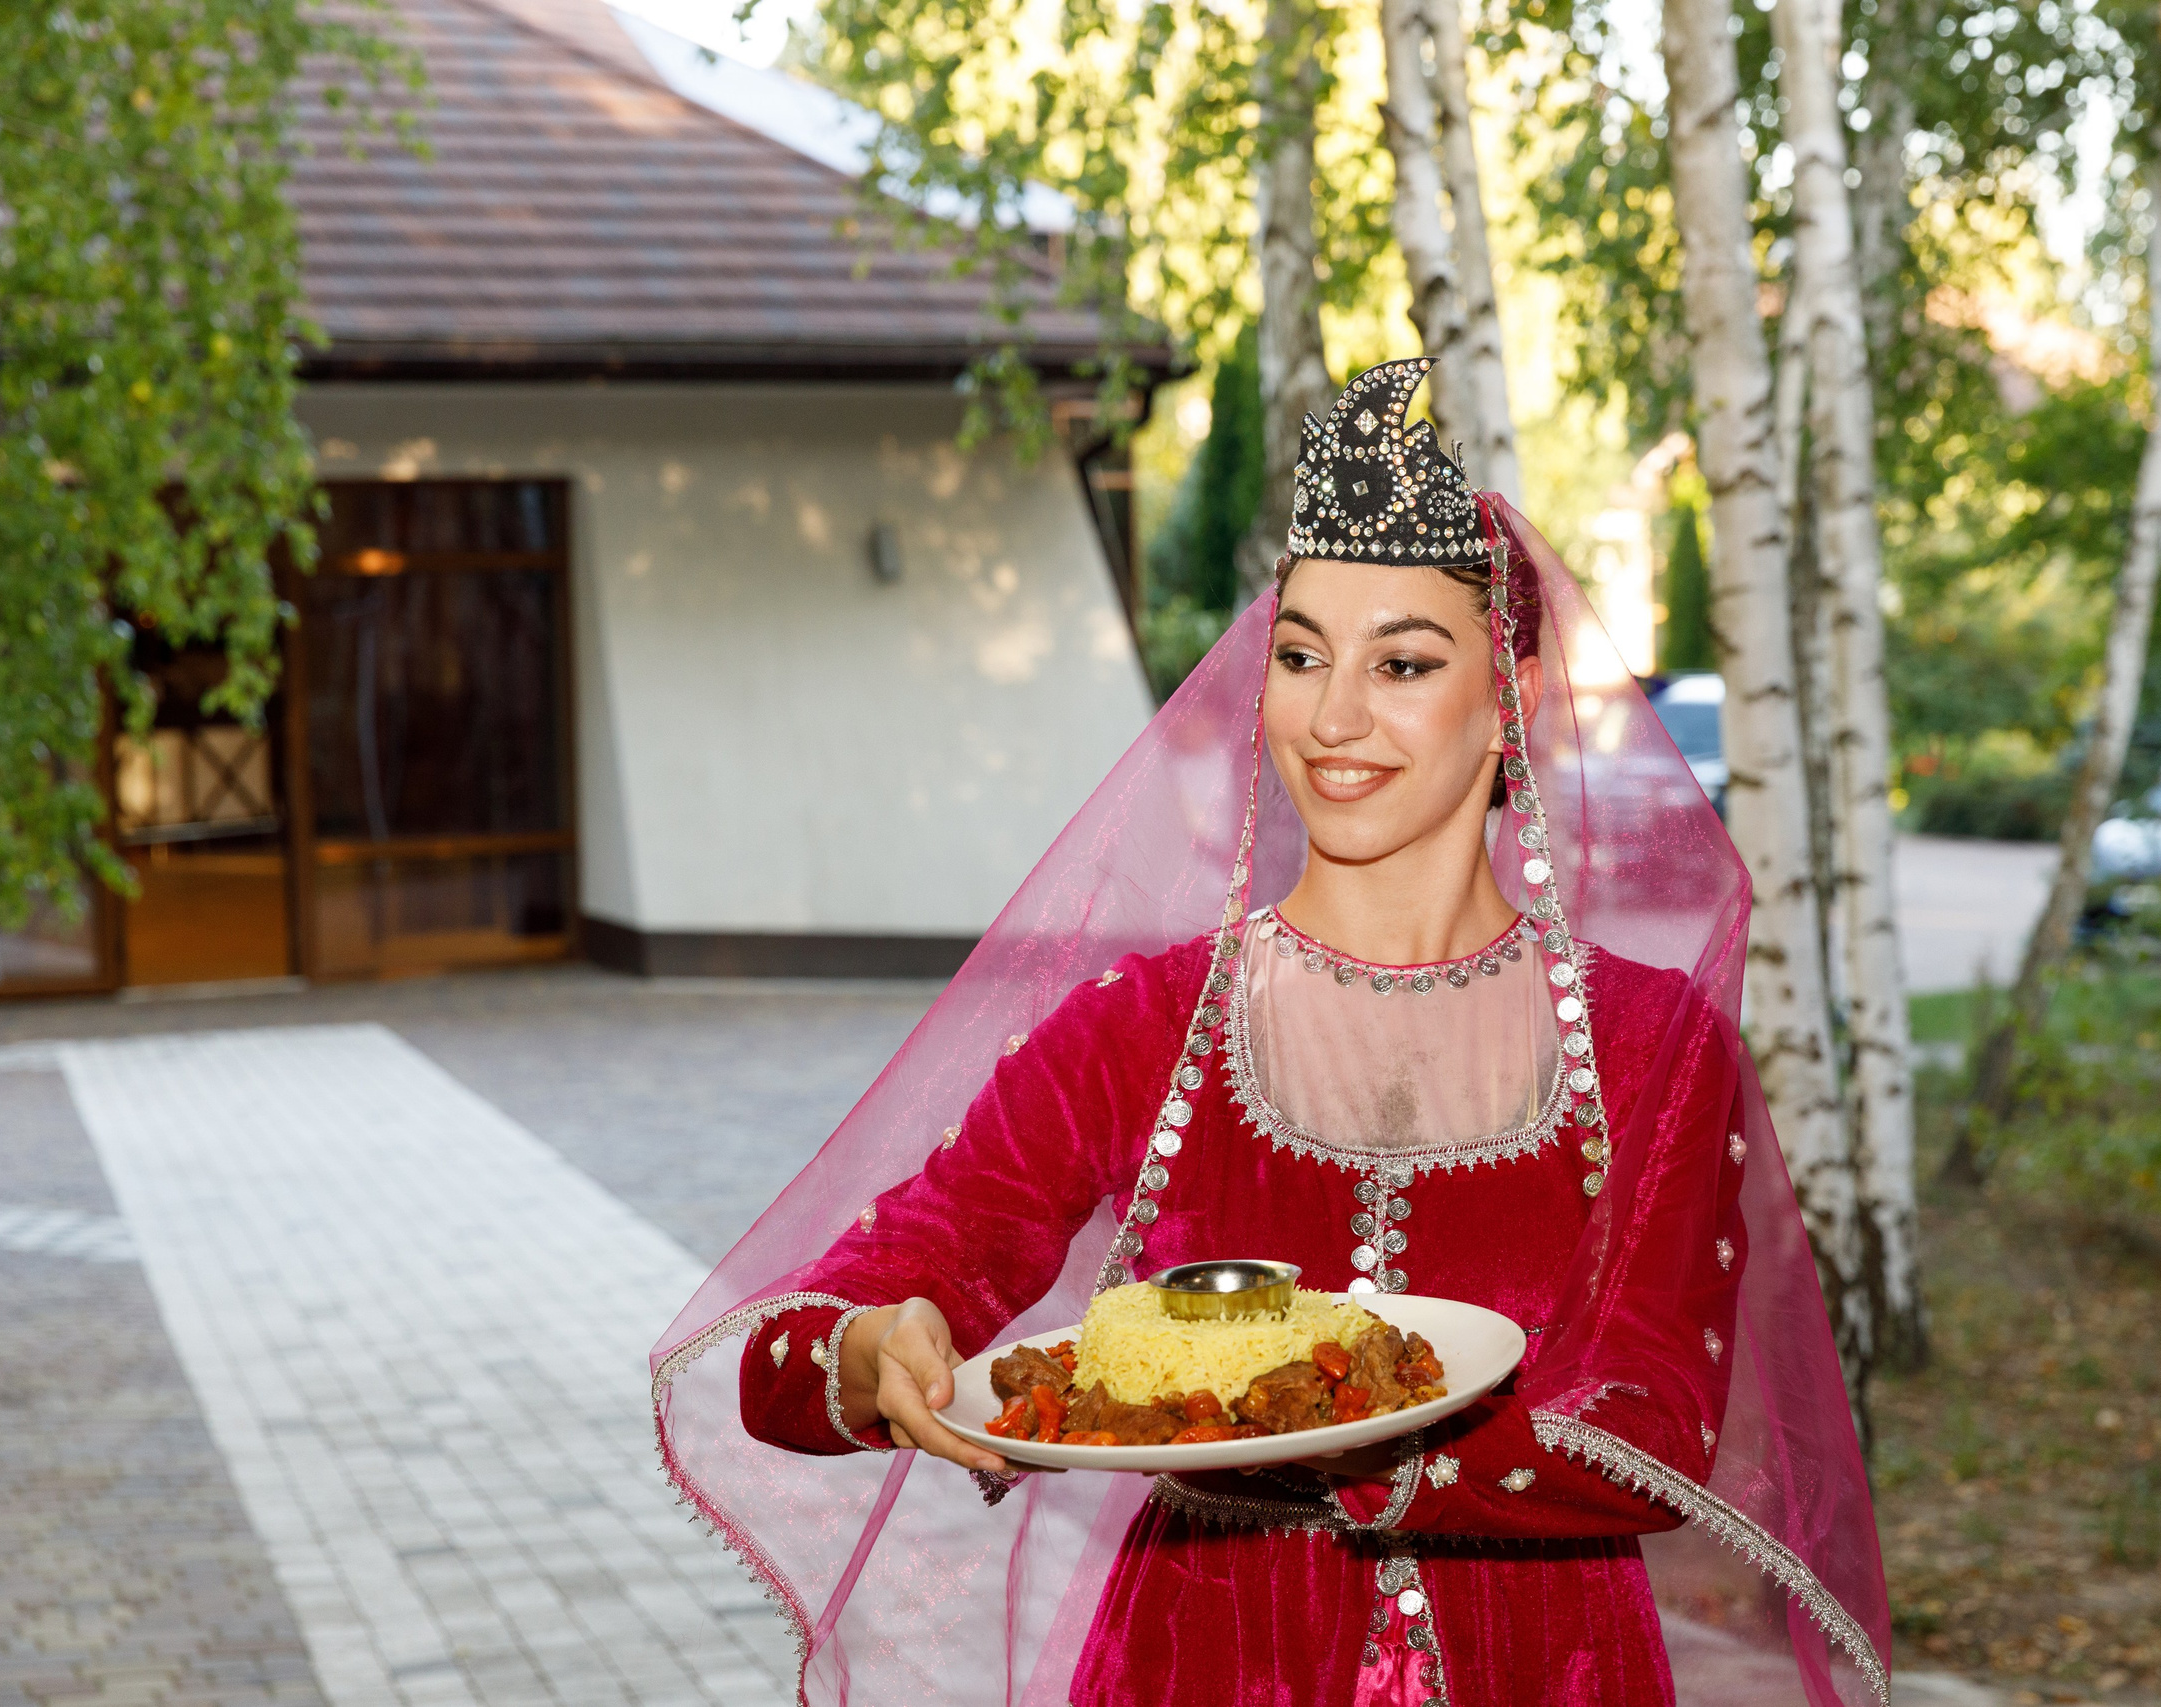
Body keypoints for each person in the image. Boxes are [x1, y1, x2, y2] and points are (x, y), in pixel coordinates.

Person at [652, 358, 1890, 1707]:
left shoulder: (1654, 1047)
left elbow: (1654, 1429)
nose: (1334, 716)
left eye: (1403, 663)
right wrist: (866, 1349)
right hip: (1204, 1663)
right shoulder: (1145, 1027)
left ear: (1514, 702)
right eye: (1301, 656)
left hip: (1548, 1668)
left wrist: (1364, 1451)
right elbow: (800, 1347)